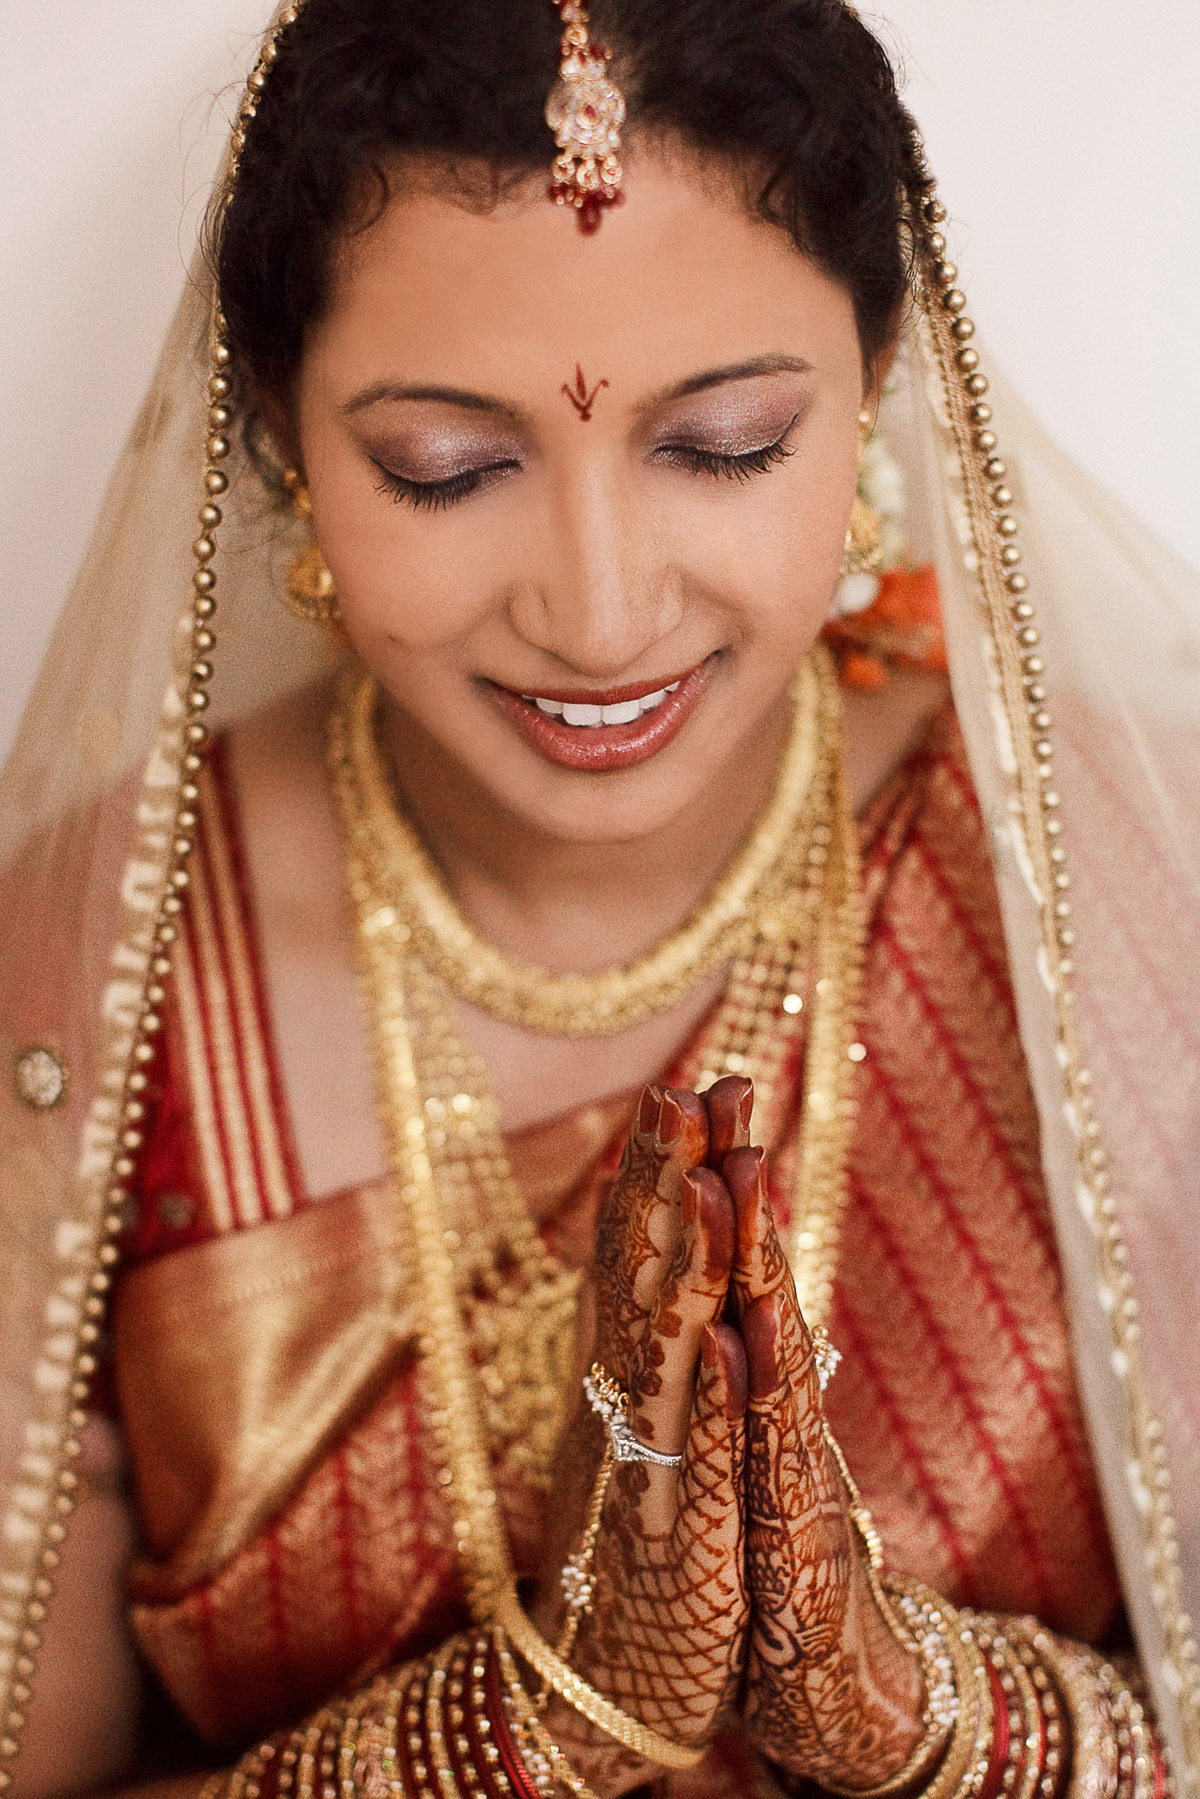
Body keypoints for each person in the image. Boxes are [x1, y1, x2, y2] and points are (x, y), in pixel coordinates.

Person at [0, 2, 1197, 1797]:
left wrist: (936, 1720)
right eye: (448, 468)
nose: (600, 609)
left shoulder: (1111, 880)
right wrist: (513, 1732)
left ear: (872, 384)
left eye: (718, 442)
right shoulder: (108, 971)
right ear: (279, 438)